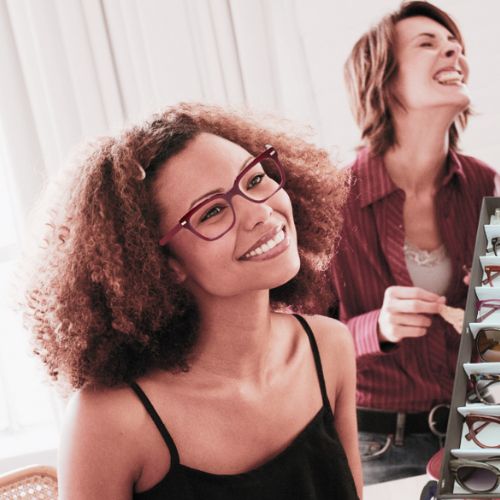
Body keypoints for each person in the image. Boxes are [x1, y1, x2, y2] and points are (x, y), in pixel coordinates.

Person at [22, 103, 362, 499]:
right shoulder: (110, 420)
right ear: (161, 263)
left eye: (254, 180)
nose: (260, 213)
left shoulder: (328, 347)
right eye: (213, 211)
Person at [330, 0, 498, 485]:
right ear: (382, 79)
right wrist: (376, 327)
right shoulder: (332, 199)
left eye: (456, 47)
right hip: (379, 446)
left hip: (479, 429)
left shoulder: (485, 184)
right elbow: (294, 340)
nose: (453, 53)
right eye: (428, 44)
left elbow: (492, 337)